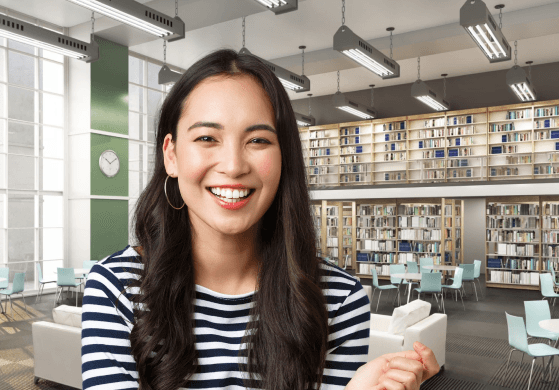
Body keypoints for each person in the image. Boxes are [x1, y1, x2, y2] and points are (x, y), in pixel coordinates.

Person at [81, 49, 440, 390]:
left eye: (258, 140)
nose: (234, 165)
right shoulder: (117, 289)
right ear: (171, 155)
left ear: (284, 158)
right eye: (207, 137)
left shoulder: (338, 299)